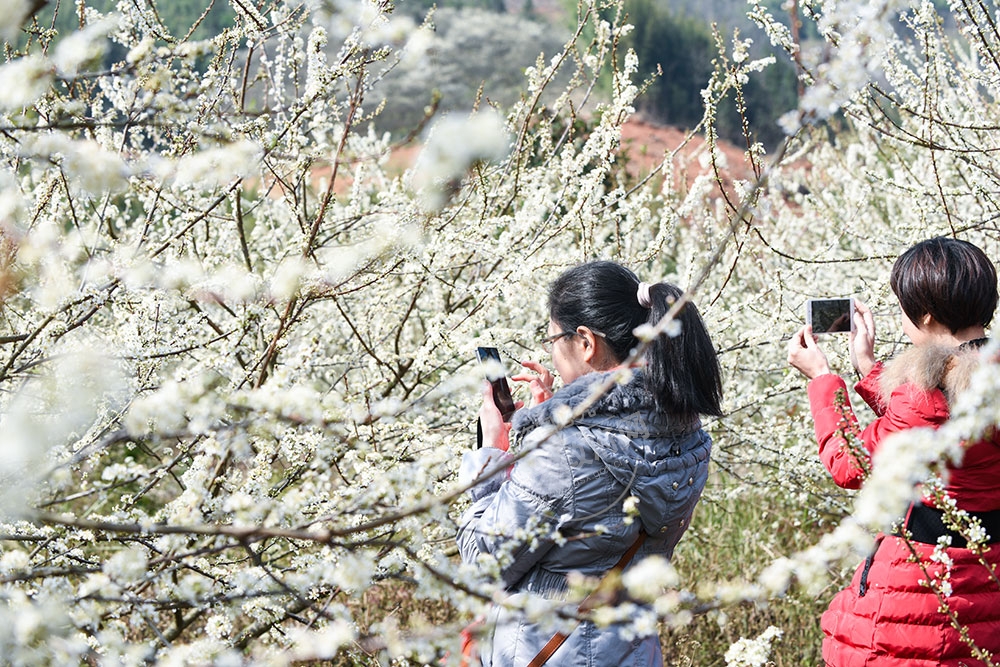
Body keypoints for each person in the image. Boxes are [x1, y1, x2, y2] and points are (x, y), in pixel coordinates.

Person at [456, 260, 723, 666]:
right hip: (632, 649)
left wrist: (494, 449)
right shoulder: (686, 430)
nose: (551, 353)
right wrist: (545, 423)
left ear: (585, 341)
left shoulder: (568, 448)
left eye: (552, 340)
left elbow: (486, 562)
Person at [786, 237, 1000, 666]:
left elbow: (850, 464)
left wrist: (823, 379)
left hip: (920, 607)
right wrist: (872, 370)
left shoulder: (921, 399)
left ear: (925, 315)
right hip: (988, 591)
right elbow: (932, 432)